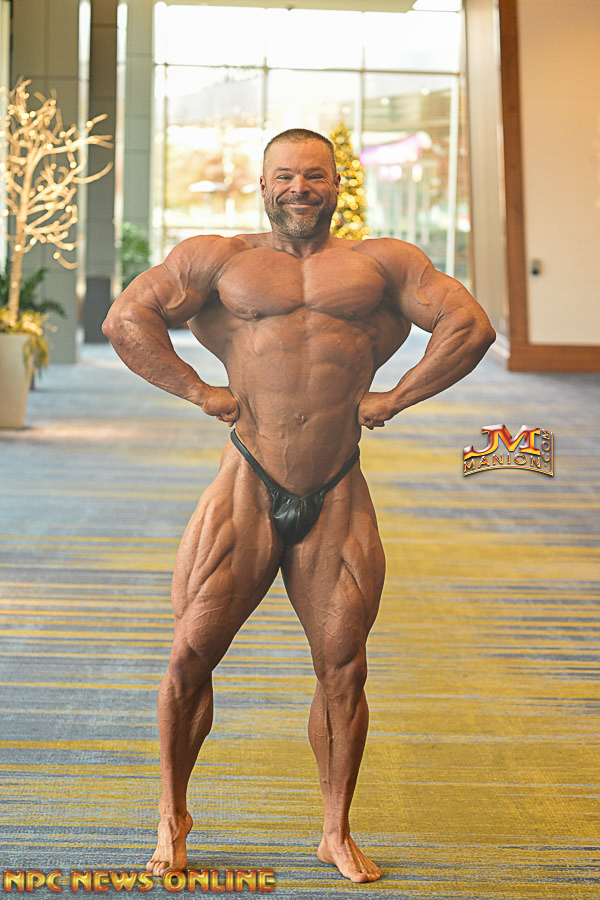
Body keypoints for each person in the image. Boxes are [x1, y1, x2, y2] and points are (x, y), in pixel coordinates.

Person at [102, 128, 495, 884]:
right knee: (190, 652)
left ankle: (334, 830)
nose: (299, 188)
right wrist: (198, 390)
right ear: (262, 184)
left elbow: (470, 324)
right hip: (247, 479)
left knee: (344, 667)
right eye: (284, 176)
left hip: (337, 483)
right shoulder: (219, 259)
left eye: (314, 175)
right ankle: (172, 814)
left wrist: (396, 396)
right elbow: (127, 318)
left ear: (337, 183)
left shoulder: (382, 264)